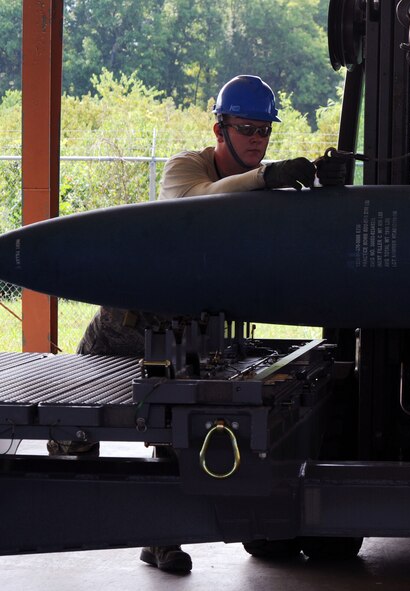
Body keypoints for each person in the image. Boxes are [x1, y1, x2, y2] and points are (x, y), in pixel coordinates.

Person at [60, 75, 348, 574]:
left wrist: (321, 185)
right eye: (247, 128)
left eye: (265, 130)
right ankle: (69, 446)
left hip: (187, 331)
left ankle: (161, 540)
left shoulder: (261, 184)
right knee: (82, 422)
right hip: (126, 326)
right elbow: (206, 200)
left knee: (175, 431)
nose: (258, 139)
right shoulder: (184, 169)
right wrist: (268, 178)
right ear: (220, 128)